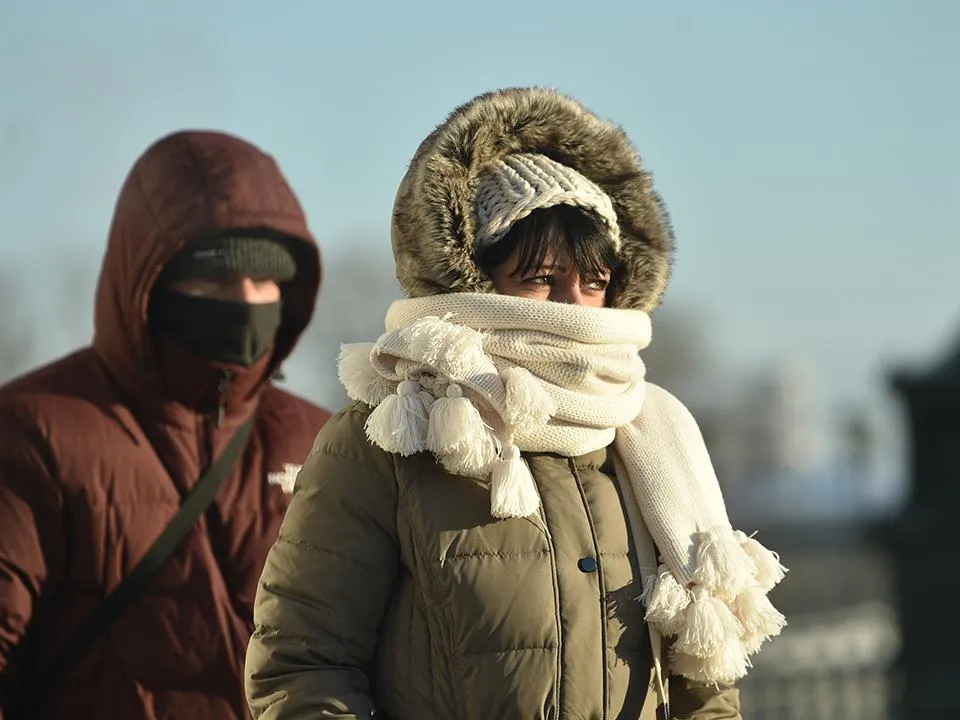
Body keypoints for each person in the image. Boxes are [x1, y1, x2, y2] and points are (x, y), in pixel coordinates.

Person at [245, 88, 787, 720]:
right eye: (539, 278)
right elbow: (304, 667)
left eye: (593, 283)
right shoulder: (389, 436)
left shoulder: (649, 437)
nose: (572, 310)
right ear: (474, 279)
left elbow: (706, 688)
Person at [0, 130, 331, 720]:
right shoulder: (32, 432)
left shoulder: (323, 442)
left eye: (264, 281)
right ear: (148, 285)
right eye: (216, 280)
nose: (245, 300)